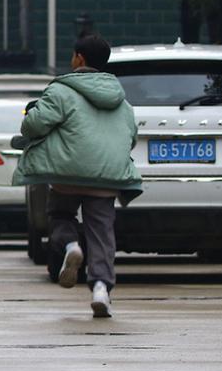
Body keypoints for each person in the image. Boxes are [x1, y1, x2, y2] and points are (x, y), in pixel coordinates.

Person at [13, 34, 142, 317]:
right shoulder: (122, 101)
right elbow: (130, 138)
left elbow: (34, 126)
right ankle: (101, 289)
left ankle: (71, 246)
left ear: (79, 58)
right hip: (107, 177)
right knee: (102, 233)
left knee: (60, 216)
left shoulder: (61, 91)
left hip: (67, 174)